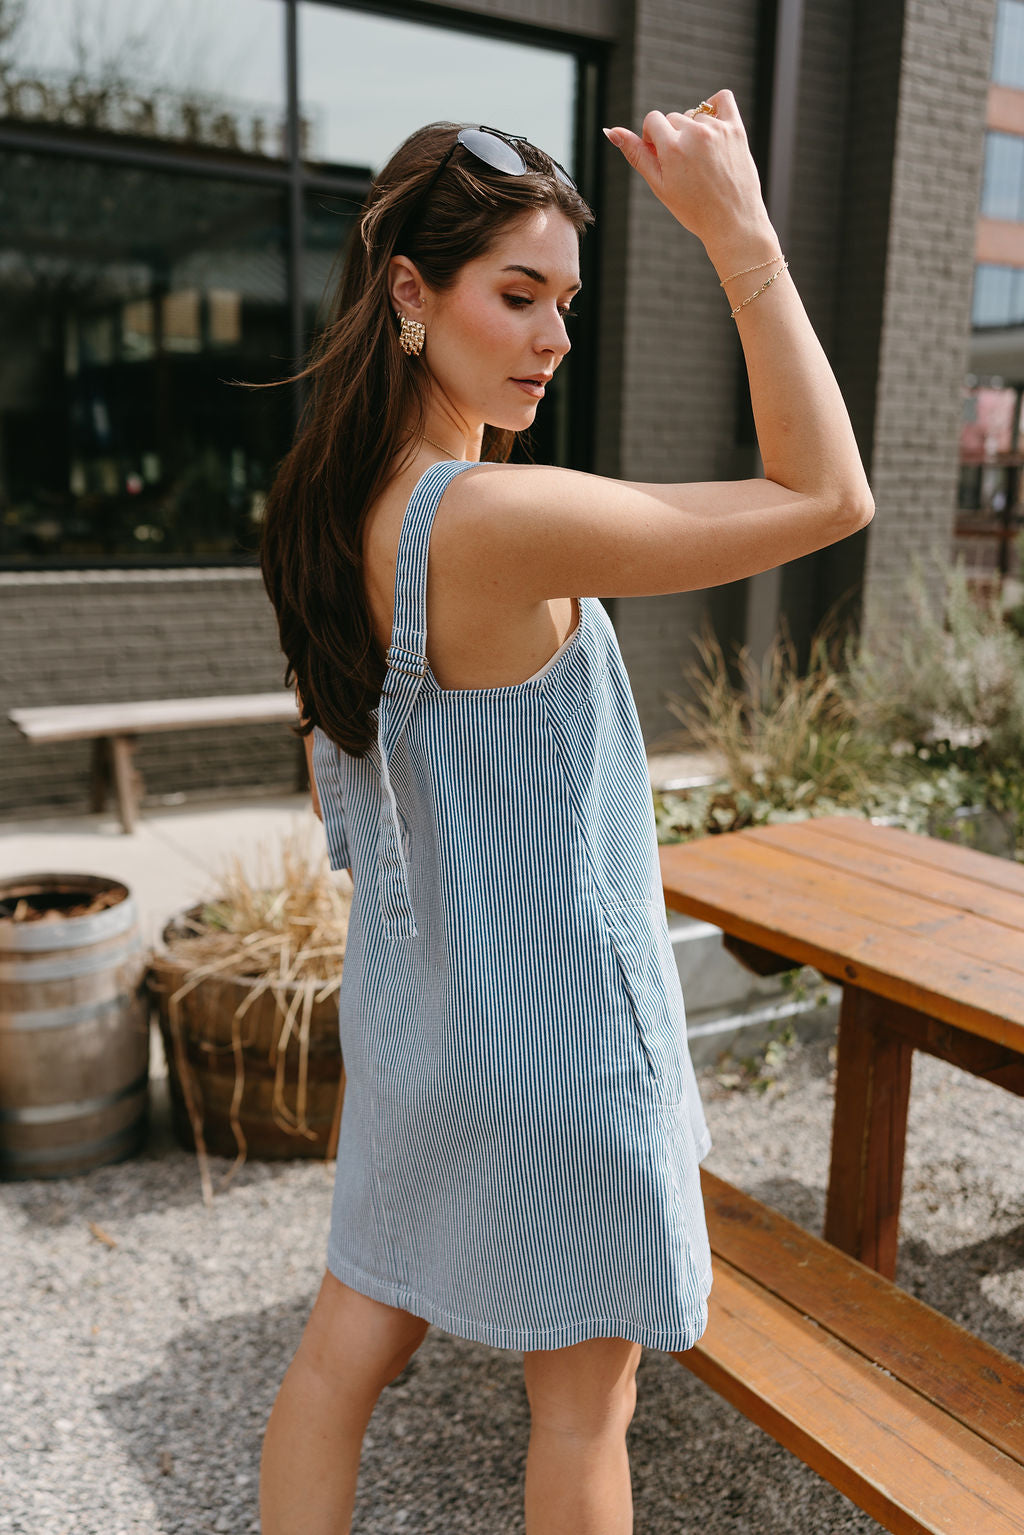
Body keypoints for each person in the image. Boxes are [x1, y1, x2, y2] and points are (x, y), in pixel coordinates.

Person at [255, 96, 874, 1535]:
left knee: (339, 1362)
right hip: (564, 1051)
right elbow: (827, 492)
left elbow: (347, 787)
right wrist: (746, 241)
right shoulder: (486, 520)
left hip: (422, 1032)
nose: (554, 337)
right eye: (517, 294)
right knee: (586, 1415)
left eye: (566, 300)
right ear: (411, 293)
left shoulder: (328, 505)